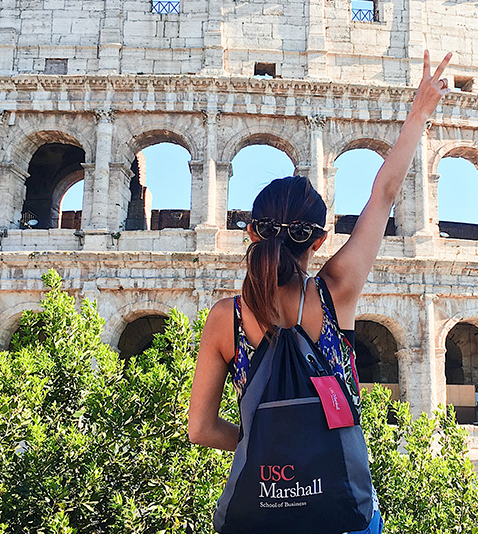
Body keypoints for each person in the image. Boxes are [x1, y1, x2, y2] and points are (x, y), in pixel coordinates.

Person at [187, 50, 453, 533]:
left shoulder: (224, 319)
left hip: (257, 514)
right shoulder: (336, 292)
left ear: (251, 233)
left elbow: (202, 430)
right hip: (341, 510)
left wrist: (265, 436)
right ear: (320, 239)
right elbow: (384, 193)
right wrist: (420, 112)